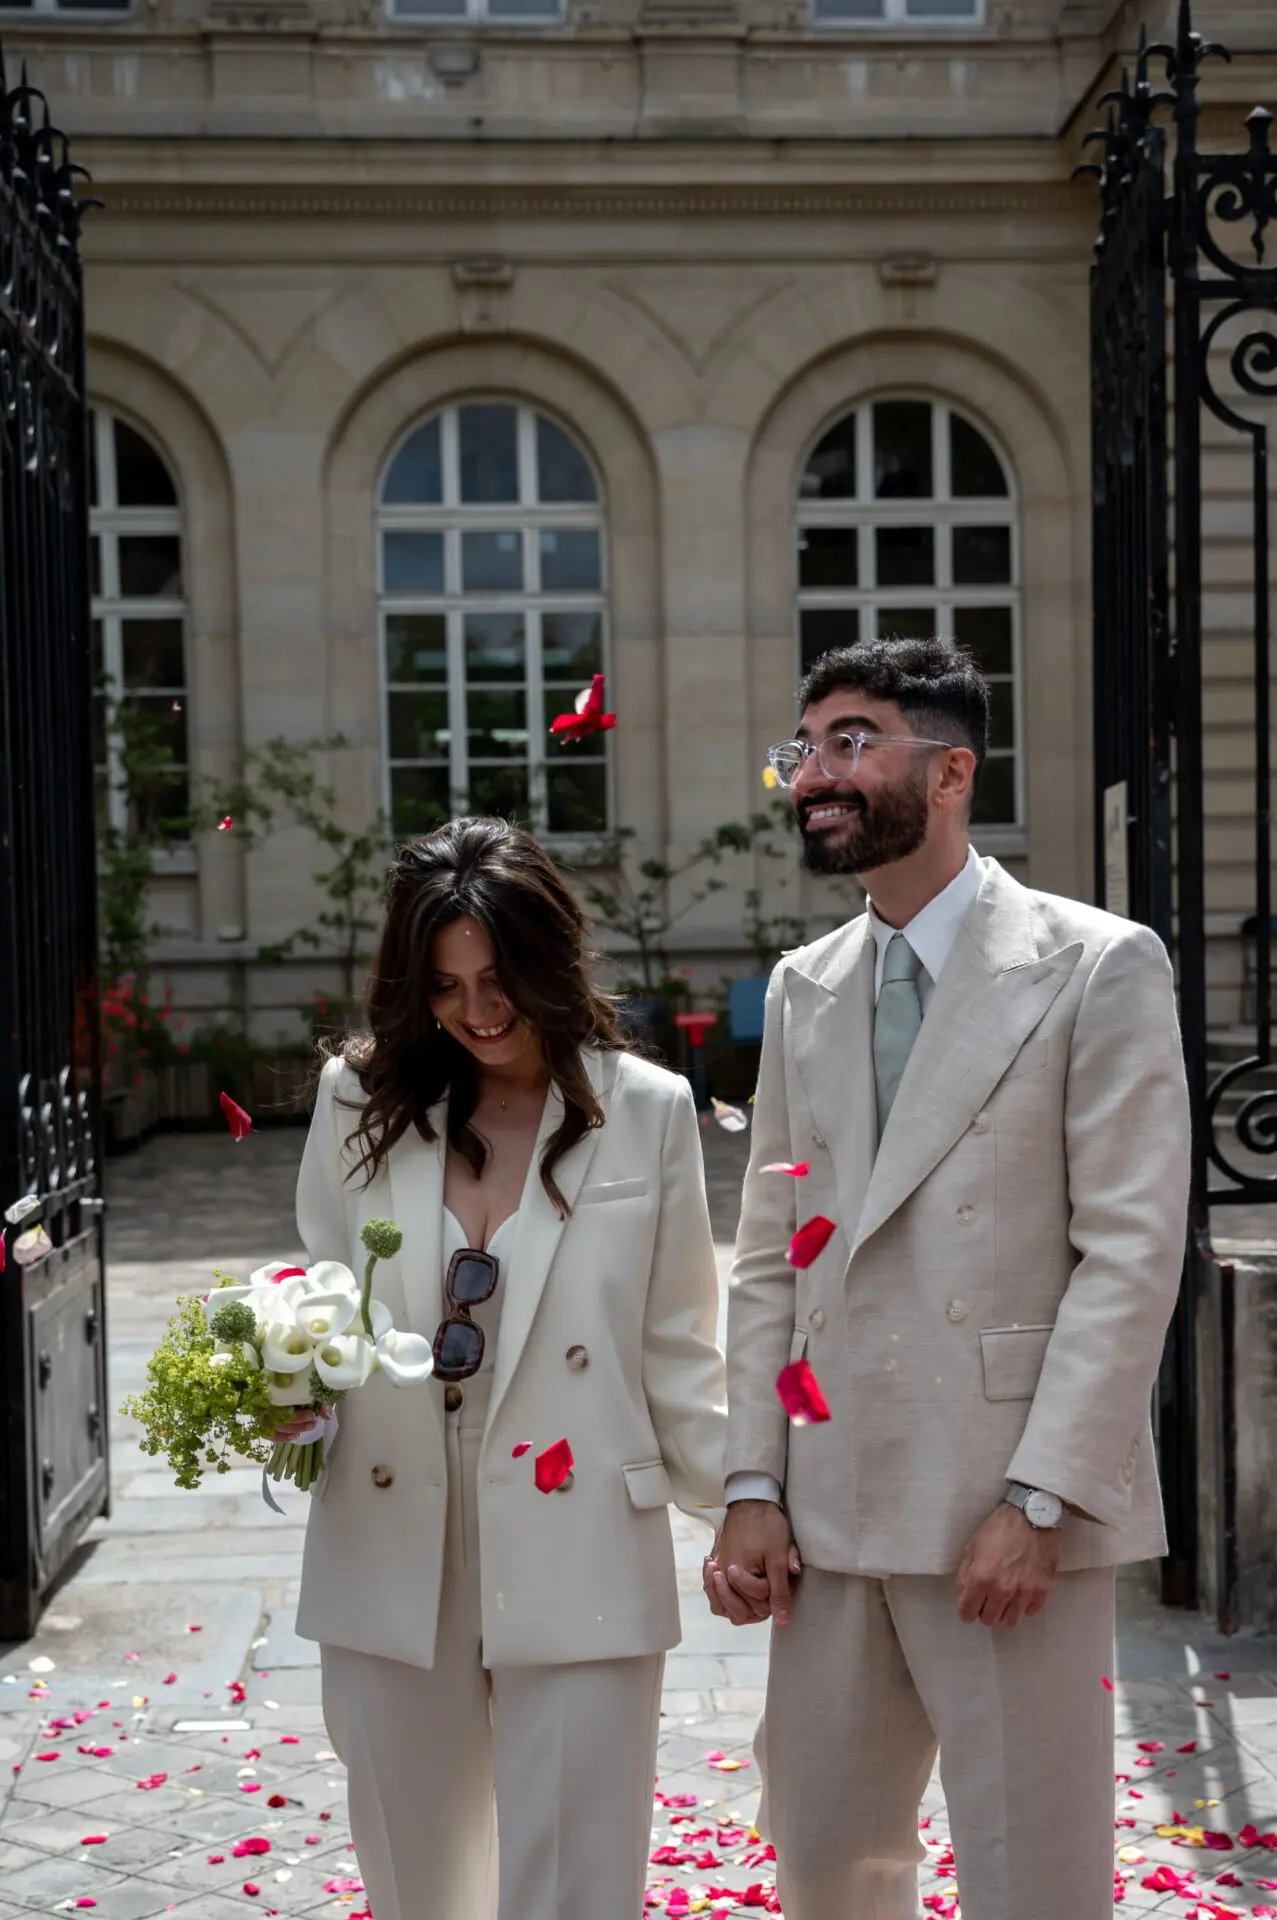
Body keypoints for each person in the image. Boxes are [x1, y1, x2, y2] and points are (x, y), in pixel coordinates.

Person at [706, 637, 1191, 1920]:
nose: (813, 773)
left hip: (1000, 1509)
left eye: (850, 741)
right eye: (801, 749)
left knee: (1031, 1879)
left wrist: (1039, 1503)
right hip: (826, 1510)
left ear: (952, 769)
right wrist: (749, 1481)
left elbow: (1130, 1252)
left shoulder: (1096, 962)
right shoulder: (804, 989)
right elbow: (770, 1254)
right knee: (821, 1868)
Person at [284, 817, 726, 1920]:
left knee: (577, 1883)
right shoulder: (360, 1096)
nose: (476, 1012)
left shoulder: (646, 1109)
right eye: (442, 986)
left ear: (549, 961)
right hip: (390, 1526)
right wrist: (281, 1382)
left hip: (579, 1520)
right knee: (415, 1879)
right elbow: (326, 1290)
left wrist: (747, 1503)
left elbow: (677, 1344)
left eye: (497, 979)